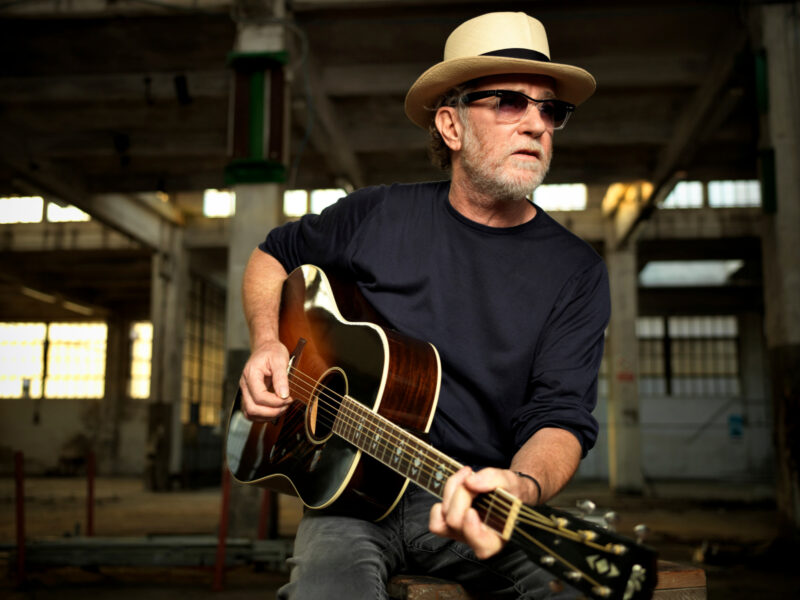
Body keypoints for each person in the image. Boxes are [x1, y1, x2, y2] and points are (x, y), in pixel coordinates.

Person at [239, 11, 610, 599]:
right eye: (509, 103)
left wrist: (522, 485)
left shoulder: (576, 271)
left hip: (473, 501)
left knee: (576, 583)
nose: (536, 124)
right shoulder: (377, 214)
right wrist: (266, 341)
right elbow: (271, 255)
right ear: (451, 125)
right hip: (347, 499)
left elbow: (561, 415)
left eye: (550, 109)